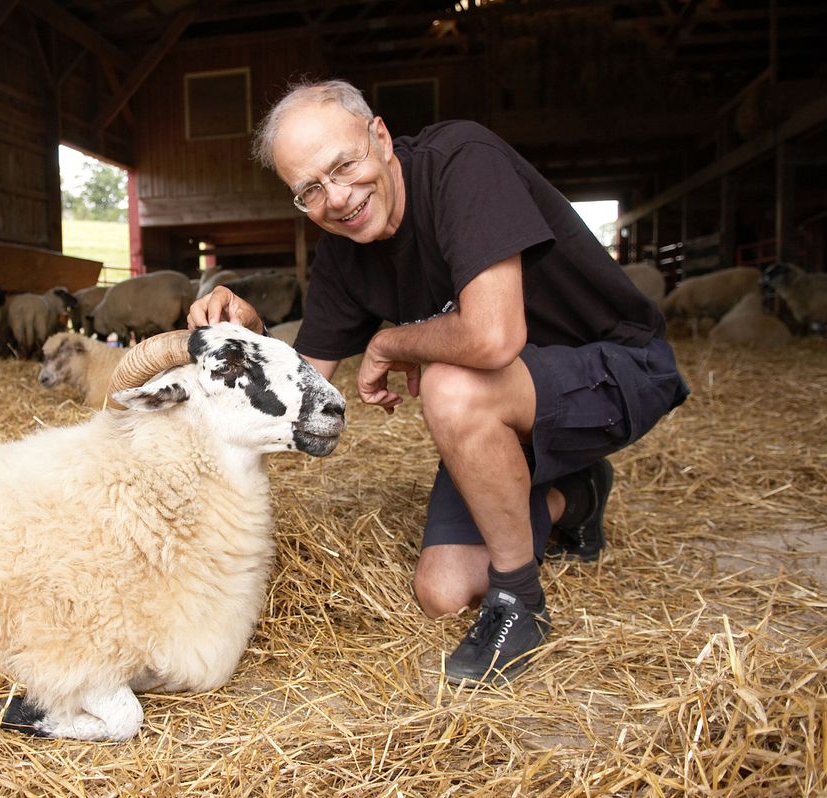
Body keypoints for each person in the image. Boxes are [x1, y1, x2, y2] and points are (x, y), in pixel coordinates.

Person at [188, 79, 689, 686]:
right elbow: (304, 384)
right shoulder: (343, 253)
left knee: (451, 382)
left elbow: (493, 337)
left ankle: (520, 602)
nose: (337, 198)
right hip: (510, 406)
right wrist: (250, 335)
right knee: (443, 592)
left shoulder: (461, 162)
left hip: (615, 368)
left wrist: (388, 343)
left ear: (380, 137)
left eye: (343, 165)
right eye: (309, 190)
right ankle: (578, 494)